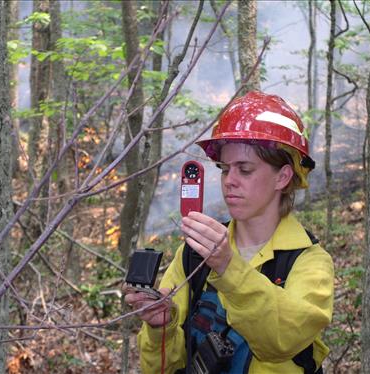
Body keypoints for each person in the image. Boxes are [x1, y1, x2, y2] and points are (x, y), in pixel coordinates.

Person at [124, 91, 334, 373]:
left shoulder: (309, 262)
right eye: (224, 169)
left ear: (282, 177)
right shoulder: (194, 254)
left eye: (245, 170)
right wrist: (161, 327)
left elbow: (284, 341)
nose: (229, 181)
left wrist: (227, 266)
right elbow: (160, 367)